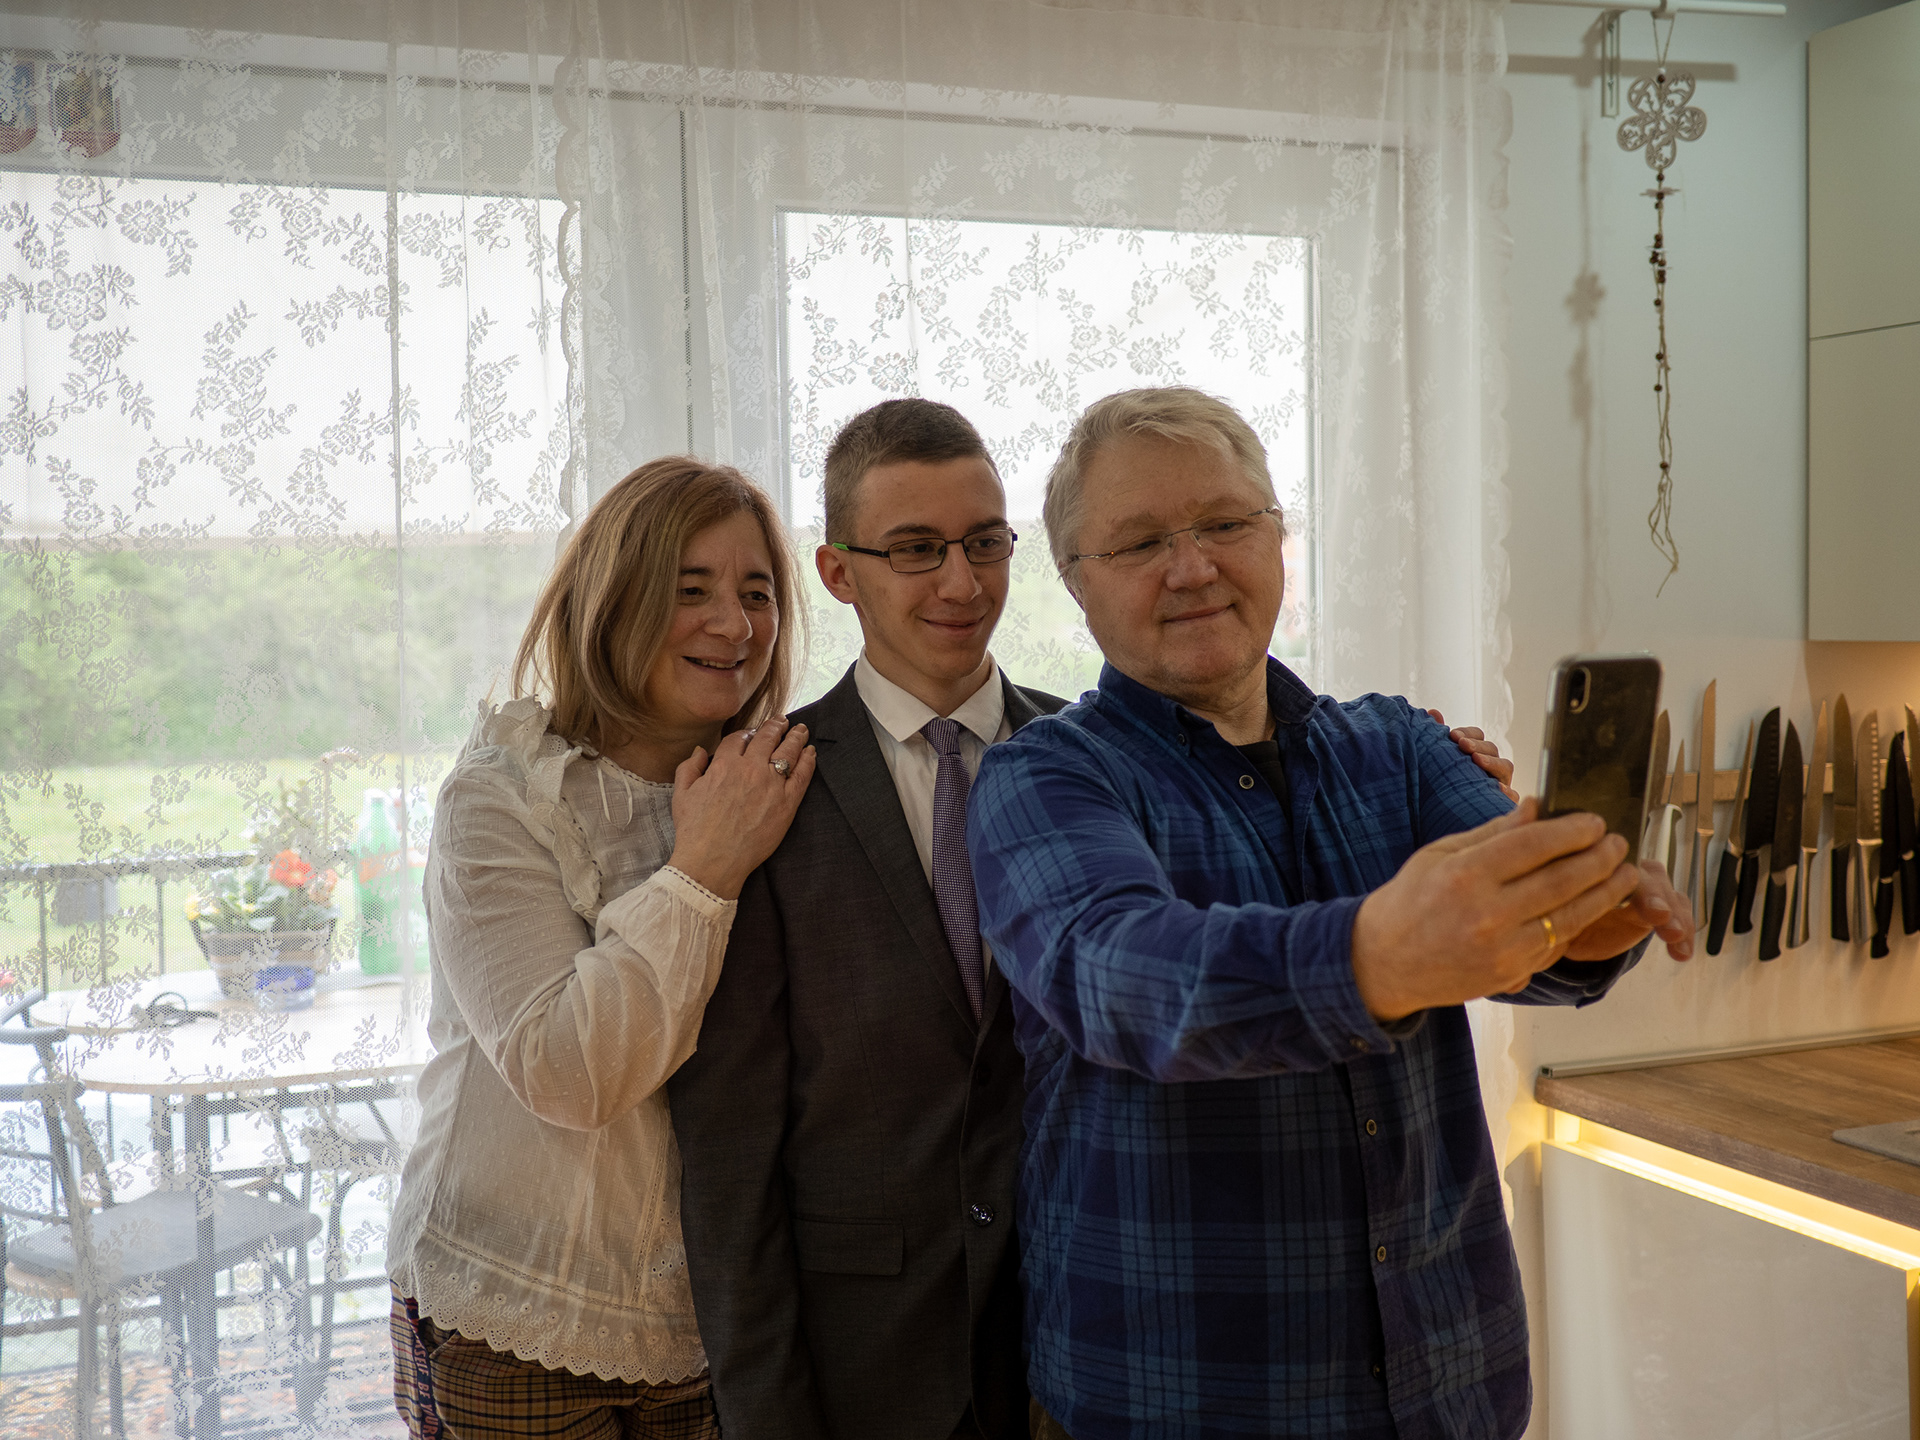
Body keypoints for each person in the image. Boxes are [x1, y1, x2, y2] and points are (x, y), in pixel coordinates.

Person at [667, 399, 1519, 1440]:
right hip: (882, 1359)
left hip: (1097, 1325)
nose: (961, 583)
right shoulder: (762, 789)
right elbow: (730, 1156)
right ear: (839, 573)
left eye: (985, 543)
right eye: (917, 549)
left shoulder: (1084, 750)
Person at [967, 388, 1695, 1440]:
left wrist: (1582, 922)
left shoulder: (1399, 746)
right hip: (1181, 1402)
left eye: (1226, 523)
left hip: (1453, 1386)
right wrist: (1376, 956)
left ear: (1278, 539)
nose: (1193, 567)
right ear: (1077, 583)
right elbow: (1120, 977)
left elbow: (1518, 940)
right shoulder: (1040, 778)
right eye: (1140, 542)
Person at [386, 457, 817, 1440]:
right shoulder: (502, 796)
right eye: (691, 590)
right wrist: (704, 869)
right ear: (612, 597)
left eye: (757, 594)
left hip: (718, 1317)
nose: (735, 625)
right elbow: (567, 1071)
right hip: (516, 1313)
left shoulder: (771, 784)